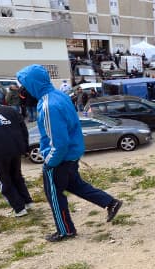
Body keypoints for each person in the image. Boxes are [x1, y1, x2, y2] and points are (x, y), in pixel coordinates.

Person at [16, 64, 123, 242]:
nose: (23, 90)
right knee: (76, 185)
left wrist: (49, 162)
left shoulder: (48, 105)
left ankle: (65, 230)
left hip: (59, 159)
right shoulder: (59, 95)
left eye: (24, 85)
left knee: (55, 196)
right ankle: (110, 203)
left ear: (32, 84)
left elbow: (59, 142)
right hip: (71, 155)